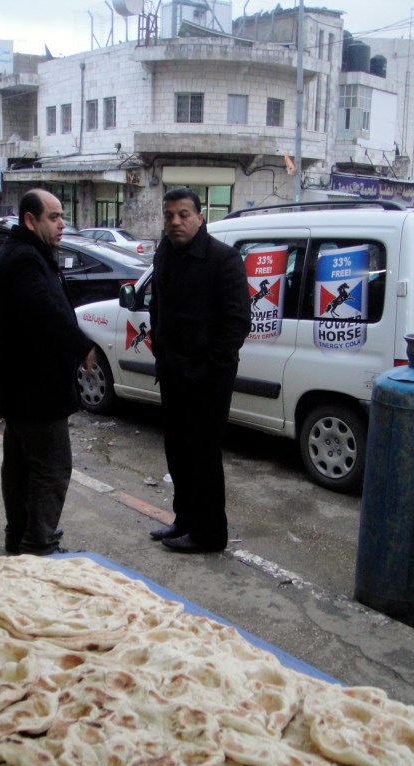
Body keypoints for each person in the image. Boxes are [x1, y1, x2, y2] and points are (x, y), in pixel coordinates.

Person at [0, 188, 96, 556]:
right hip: (37, 387)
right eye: (53, 217)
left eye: (62, 216)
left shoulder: (23, 253)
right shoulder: (24, 260)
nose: (62, 223)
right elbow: (45, 312)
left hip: (22, 387)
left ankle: (21, 535)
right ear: (30, 220)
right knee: (51, 468)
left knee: (21, 466)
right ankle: (39, 544)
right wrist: (82, 346)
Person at [149, 187, 251, 554]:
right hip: (173, 372)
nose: (175, 221)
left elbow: (237, 322)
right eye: (169, 215)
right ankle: (185, 519)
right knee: (177, 451)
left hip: (208, 380)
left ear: (200, 217)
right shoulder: (165, 253)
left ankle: (209, 535)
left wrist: (212, 367)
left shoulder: (223, 259)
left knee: (203, 455)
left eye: (183, 214)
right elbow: (157, 305)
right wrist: (160, 349)